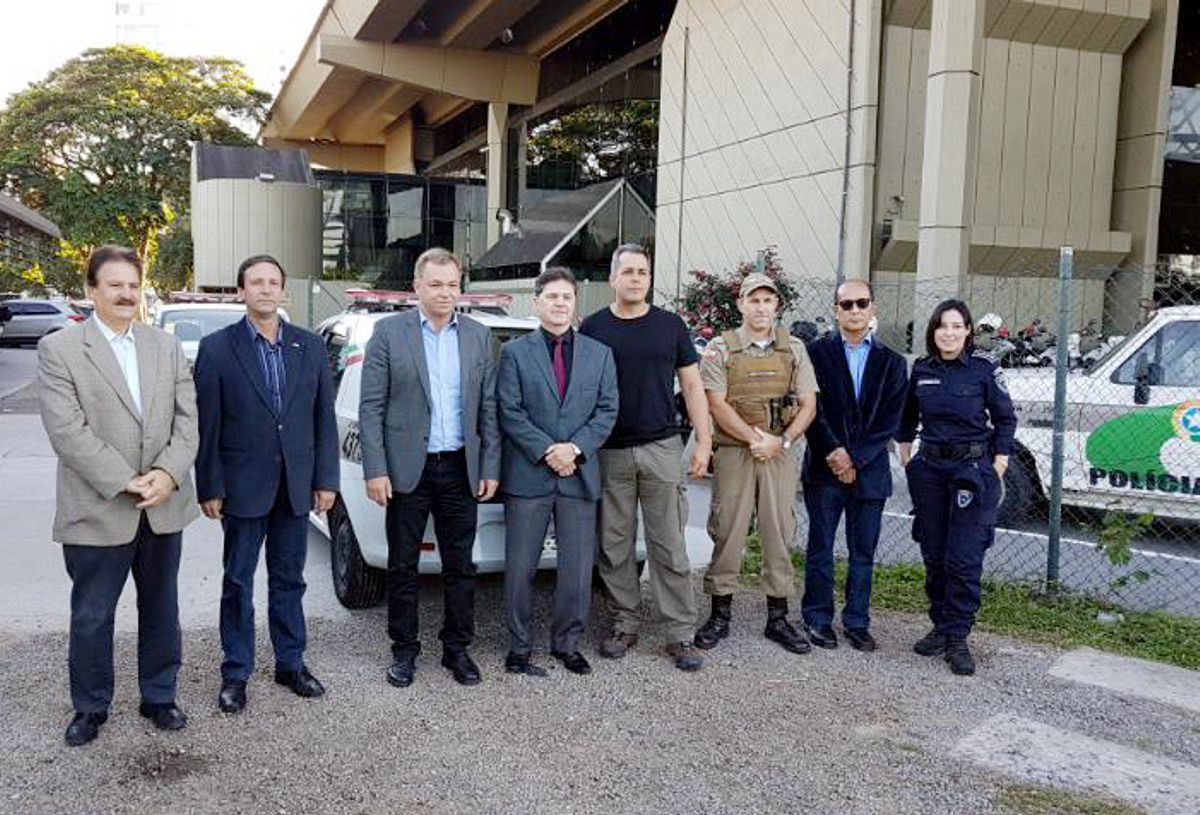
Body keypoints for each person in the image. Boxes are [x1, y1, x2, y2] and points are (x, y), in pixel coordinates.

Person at [37, 245, 199, 746]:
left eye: (133, 284)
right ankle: (90, 707)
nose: (126, 294)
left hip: (162, 505)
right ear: (91, 291)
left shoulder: (164, 346)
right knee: (92, 615)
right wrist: (129, 480)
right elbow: (68, 432)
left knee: (162, 609)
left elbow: (188, 420)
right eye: (114, 285)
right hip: (99, 506)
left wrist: (168, 475)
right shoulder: (60, 348)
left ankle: (159, 696)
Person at [194, 254, 339, 713]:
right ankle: (236, 672)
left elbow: (323, 421)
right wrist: (209, 485)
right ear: (241, 291)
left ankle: (290, 663)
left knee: (289, 580)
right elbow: (207, 425)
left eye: (273, 282)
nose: (265, 289)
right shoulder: (217, 348)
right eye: (255, 282)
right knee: (238, 581)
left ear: (283, 290)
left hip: (295, 487)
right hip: (241, 488)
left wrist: (326, 481)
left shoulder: (309, 347)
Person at [359, 247, 500, 687]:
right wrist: (375, 469)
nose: (445, 292)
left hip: (461, 467)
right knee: (403, 565)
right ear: (416, 287)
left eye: (452, 284)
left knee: (461, 565)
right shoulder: (388, 333)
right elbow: (371, 407)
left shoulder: (480, 336)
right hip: (406, 470)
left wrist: (490, 465)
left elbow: (489, 409)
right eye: (435, 284)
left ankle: (457, 650)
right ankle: (404, 651)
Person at [580, 243, 712, 672]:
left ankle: (680, 633)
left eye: (643, 272)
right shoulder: (593, 328)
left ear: (649, 279)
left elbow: (692, 388)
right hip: (610, 452)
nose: (636, 278)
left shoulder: (670, 326)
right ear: (613, 278)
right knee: (615, 546)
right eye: (629, 271)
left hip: (661, 448)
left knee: (669, 545)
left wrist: (704, 444)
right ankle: (625, 622)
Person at [496, 268, 618, 677]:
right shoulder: (514, 353)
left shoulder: (599, 354)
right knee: (520, 567)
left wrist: (575, 450)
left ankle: (567, 644)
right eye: (552, 296)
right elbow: (510, 411)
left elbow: (607, 410)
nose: (560, 303)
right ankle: (518, 646)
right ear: (537, 302)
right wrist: (549, 450)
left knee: (577, 569)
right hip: (530, 474)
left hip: (578, 474)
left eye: (567, 296)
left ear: (574, 302)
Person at [694, 273, 818, 653]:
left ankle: (778, 618)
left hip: (779, 452)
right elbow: (716, 402)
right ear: (741, 305)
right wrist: (754, 439)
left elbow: (809, 402)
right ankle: (720, 614)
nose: (761, 307)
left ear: (776, 305)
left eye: (768, 300)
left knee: (779, 531)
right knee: (728, 529)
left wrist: (781, 441)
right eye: (754, 300)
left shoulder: (794, 347)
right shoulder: (721, 348)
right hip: (735, 450)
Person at [897, 299, 1017, 676]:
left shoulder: (984, 370)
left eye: (956, 326)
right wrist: (906, 456)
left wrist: (999, 462)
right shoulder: (922, 370)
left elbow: (1005, 419)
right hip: (930, 469)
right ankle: (940, 626)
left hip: (972, 469)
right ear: (933, 332)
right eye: (941, 326)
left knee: (963, 558)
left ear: (967, 331)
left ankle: (958, 637)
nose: (948, 333)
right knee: (933, 553)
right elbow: (907, 417)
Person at [800, 280, 908, 651]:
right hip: (823, 469)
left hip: (870, 472)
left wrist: (855, 458)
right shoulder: (814, 354)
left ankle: (857, 622)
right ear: (836, 310)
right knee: (820, 548)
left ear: (873, 308)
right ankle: (817, 618)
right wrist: (833, 452)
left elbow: (889, 421)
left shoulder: (893, 363)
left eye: (862, 303)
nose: (855, 310)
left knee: (863, 553)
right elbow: (811, 410)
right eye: (846, 304)